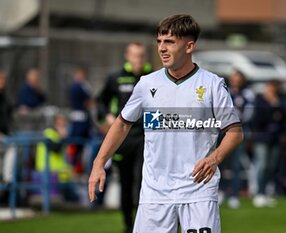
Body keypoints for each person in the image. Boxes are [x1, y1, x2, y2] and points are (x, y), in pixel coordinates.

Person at [88, 14, 243, 233]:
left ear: (189, 46)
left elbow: (235, 132)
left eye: (169, 42)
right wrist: (98, 163)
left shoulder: (212, 85)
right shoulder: (147, 83)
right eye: (159, 41)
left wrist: (214, 159)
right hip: (155, 193)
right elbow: (122, 124)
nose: (161, 48)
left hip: (198, 191)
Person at [96, 42, 152, 232]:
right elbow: (100, 101)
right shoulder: (116, 78)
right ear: (127, 56)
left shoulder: (153, 76)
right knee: (125, 182)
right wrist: (107, 117)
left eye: (141, 55)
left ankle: (144, 224)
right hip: (124, 137)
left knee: (142, 179)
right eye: (135, 55)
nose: (138, 60)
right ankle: (128, 225)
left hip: (145, 136)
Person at [218, 70, 255, 209]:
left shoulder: (247, 94)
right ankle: (220, 191)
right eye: (233, 78)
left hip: (237, 130)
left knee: (236, 164)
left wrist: (236, 122)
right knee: (219, 162)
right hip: (222, 130)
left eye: (238, 78)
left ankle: (234, 194)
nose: (235, 80)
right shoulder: (224, 90)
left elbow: (249, 112)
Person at [251, 80, 286, 208]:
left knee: (272, 167)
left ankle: (266, 192)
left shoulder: (280, 100)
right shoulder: (260, 100)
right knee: (262, 165)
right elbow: (257, 120)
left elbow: (283, 118)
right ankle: (259, 193)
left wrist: (276, 105)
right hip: (262, 138)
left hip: (275, 139)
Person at [67, 67, 93, 174]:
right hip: (81, 121)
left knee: (77, 146)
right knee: (79, 146)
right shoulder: (81, 87)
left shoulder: (75, 87)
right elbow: (88, 100)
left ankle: (76, 167)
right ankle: (77, 168)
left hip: (79, 120)